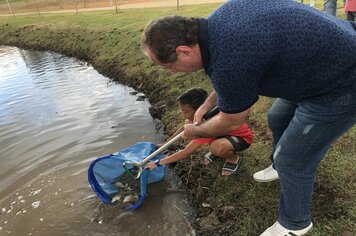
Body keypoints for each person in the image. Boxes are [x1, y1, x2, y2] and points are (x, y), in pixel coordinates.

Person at [140, 0, 356, 235]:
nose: (171, 73)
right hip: (314, 64)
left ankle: (295, 223)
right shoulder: (216, 25)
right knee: (276, 118)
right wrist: (206, 106)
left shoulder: (229, 57)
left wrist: (195, 131)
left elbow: (232, 120)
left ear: (184, 51)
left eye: (168, 67)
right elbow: (232, 77)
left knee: (292, 161)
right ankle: (278, 165)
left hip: (342, 82)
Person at [145, 87, 254, 176]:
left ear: (199, 111)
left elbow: (185, 153)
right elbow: (183, 128)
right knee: (188, 124)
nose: (183, 114)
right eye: (182, 110)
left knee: (217, 148)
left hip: (241, 139)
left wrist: (157, 163)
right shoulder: (198, 118)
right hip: (224, 135)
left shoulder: (207, 126)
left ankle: (233, 158)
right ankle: (219, 148)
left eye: (186, 111)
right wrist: (166, 144)